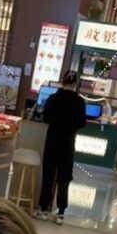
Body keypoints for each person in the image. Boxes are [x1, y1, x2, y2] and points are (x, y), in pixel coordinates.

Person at [35, 72, 87, 225]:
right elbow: (82, 123)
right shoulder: (79, 101)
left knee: (48, 176)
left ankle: (43, 209)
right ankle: (61, 213)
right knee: (64, 178)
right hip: (68, 144)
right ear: (75, 84)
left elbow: (45, 118)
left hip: (52, 142)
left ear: (62, 82)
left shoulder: (53, 98)